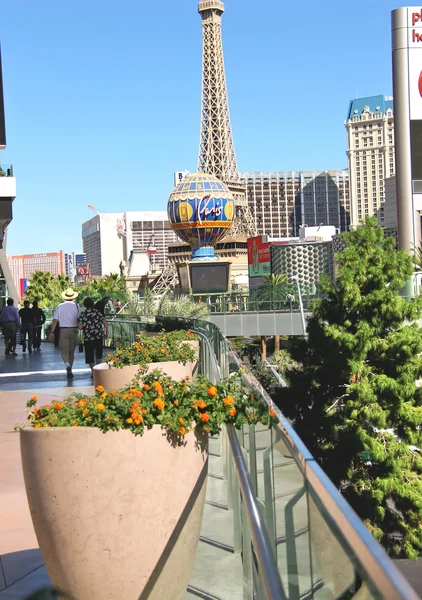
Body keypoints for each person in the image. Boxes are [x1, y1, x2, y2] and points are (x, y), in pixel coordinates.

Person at [50, 288, 80, 378]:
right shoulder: (77, 306)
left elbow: (55, 320)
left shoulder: (60, 306)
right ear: (73, 297)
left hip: (63, 330)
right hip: (74, 330)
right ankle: (70, 367)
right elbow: (79, 319)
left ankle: (67, 365)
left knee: (64, 351)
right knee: (72, 351)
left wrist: (52, 332)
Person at [78, 297, 108, 376]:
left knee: (89, 355)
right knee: (98, 353)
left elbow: (80, 327)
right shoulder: (97, 312)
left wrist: (84, 325)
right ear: (92, 304)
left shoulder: (83, 314)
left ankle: (93, 371)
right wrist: (106, 333)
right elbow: (105, 323)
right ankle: (98, 369)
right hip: (98, 335)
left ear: (84, 305)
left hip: (88, 337)